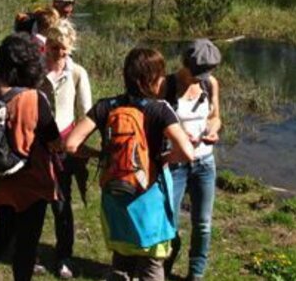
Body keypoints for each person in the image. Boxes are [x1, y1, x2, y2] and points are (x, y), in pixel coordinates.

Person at [66, 48, 195, 281]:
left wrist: (101, 155)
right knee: (151, 265)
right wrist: (164, 158)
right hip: (148, 199)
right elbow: (188, 152)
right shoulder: (161, 109)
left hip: (115, 197)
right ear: (153, 79)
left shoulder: (106, 106)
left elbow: (71, 145)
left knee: (121, 261)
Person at [0, 33, 60, 281]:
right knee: (26, 245)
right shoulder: (34, 99)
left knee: (2, 231)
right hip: (32, 182)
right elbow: (54, 141)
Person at [37, 22, 93, 279]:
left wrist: (75, 142)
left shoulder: (78, 73)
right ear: (46, 45)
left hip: (64, 146)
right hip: (35, 144)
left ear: (70, 47)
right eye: (53, 47)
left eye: (63, 48)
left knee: (61, 203)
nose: (58, 53)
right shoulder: (36, 69)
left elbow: (87, 113)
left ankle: (64, 257)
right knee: (33, 200)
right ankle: (30, 254)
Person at [164, 39, 222, 281]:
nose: (200, 78)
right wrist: (177, 136)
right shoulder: (166, 85)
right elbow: (154, 123)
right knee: (169, 223)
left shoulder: (210, 84)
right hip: (174, 164)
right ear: (184, 63)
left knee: (203, 224)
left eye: (205, 73)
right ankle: (162, 268)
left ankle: (195, 274)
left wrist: (212, 130)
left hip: (204, 163)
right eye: (196, 72)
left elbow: (216, 116)